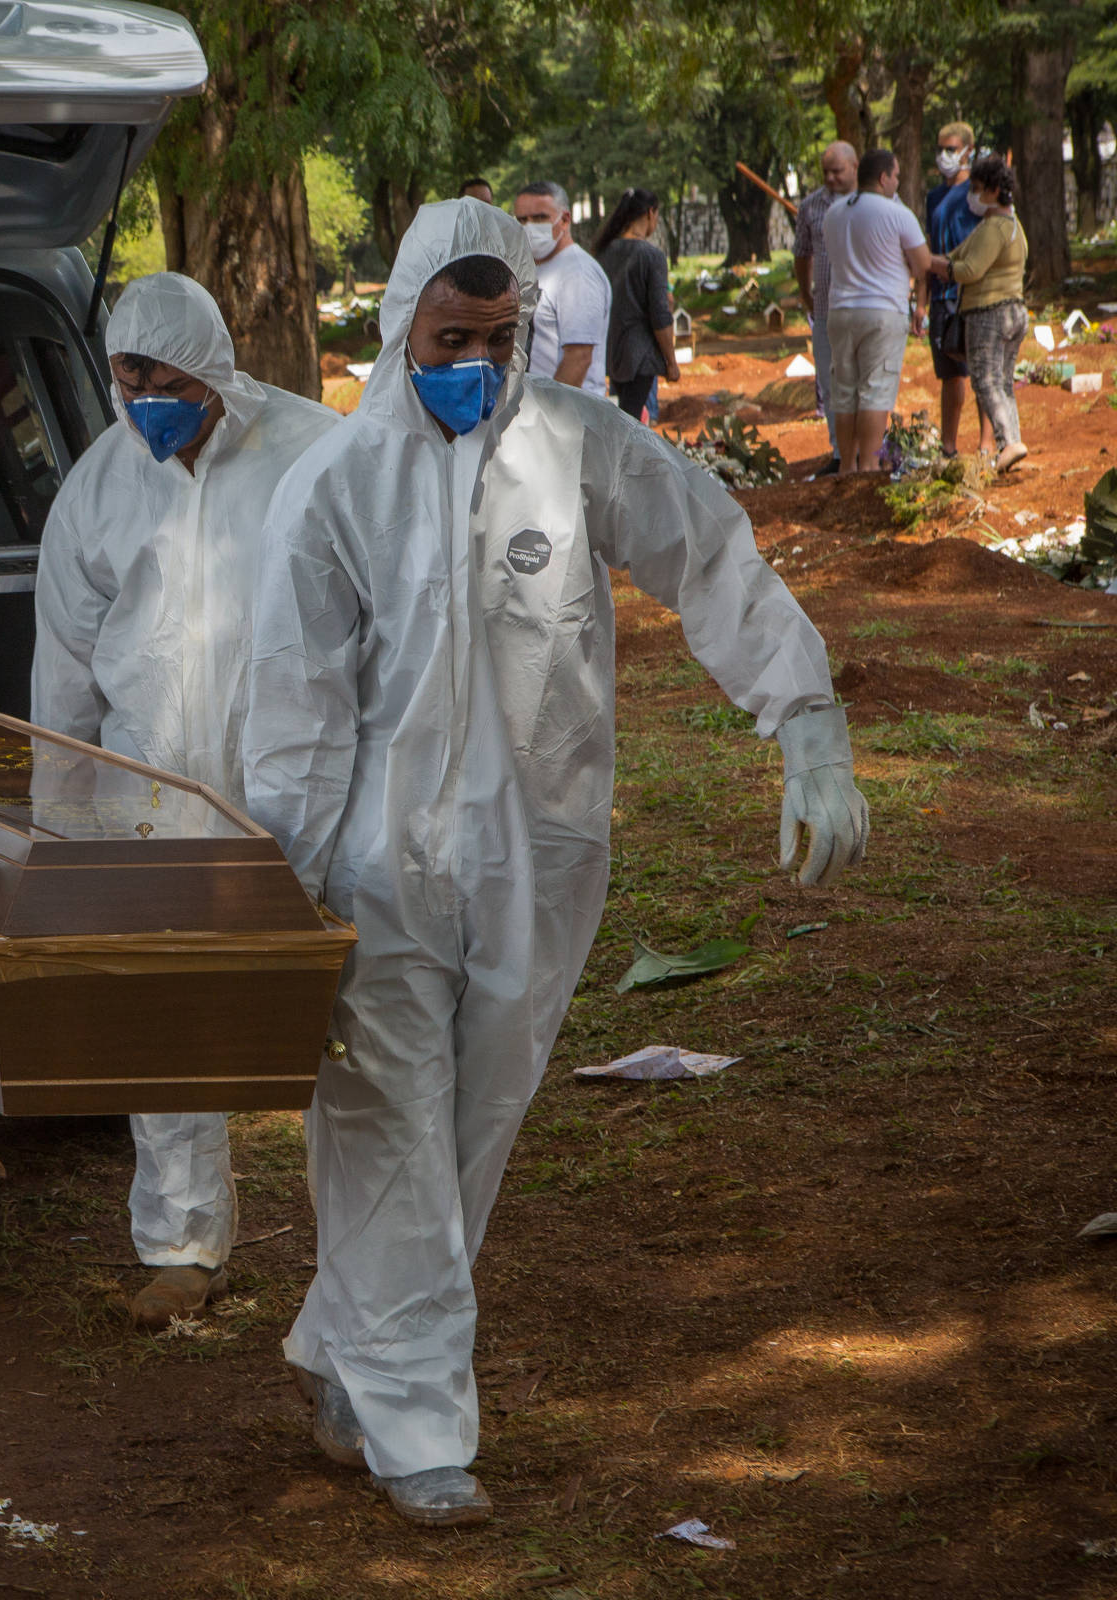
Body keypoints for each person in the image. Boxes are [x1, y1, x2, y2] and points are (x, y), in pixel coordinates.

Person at [243, 199, 867, 1529]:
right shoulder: (334, 488)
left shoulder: (578, 449)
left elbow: (712, 557)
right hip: (378, 870)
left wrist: (807, 721)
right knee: (388, 1132)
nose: (475, 358)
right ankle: (418, 1429)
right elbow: (293, 706)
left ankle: (345, 1347)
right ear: (399, 324)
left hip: (543, 855)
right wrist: (277, 878)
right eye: (450, 335)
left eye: (499, 332)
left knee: (472, 1127)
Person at [30, 272, 339, 1328]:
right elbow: (65, 673)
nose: (144, 397)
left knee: (339, 1012)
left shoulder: (312, 451)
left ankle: (360, 1245)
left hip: (295, 788)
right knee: (163, 1018)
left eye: (164, 377)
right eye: (126, 378)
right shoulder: (100, 487)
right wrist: (58, 828)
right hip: (150, 790)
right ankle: (181, 1243)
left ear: (214, 364)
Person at [822, 150, 937, 473]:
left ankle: (846, 465)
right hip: (882, 311)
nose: (897, 182)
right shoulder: (896, 213)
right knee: (874, 390)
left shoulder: (833, 213)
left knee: (844, 390)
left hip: (841, 310)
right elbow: (923, 263)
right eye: (896, 176)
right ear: (884, 177)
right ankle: (870, 465)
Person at [941, 154, 1031, 472]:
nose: (972, 196)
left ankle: (1009, 442)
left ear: (994, 190)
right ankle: (1013, 444)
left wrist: (942, 267)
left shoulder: (994, 226)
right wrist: (942, 262)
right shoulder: (1011, 225)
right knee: (1003, 382)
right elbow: (960, 255)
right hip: (1014, 311)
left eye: (977, 189)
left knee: (984, 380)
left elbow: (969, 269)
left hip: (989, 313)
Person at [791, 141, 858, 471]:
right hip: (826, 309)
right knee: (830, 382)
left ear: (855, 168)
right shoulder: (810, 206)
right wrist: (807, 296)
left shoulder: (876, 200)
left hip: (865, 308)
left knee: (865, 380)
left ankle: (869, 450)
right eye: (826, 172)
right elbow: (801, 254)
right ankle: (839, 452)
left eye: (838, 171)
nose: (830, 178)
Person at [511, 180, 609, 395]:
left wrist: (550, 415)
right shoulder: (533, 268)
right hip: (531, 409)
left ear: (564, 220)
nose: (529, 227)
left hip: (569, 416)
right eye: (521, 220)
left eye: (539, 218)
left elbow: (579, 357)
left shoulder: (578, 274)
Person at [592, 188, 681, 422]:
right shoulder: (651, 256)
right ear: (651, 213)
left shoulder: (602, 252)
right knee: (632, 424)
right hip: (640, 357)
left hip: (611, 354)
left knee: (621, 418)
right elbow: (660, 315)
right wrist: (671, 363)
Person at [925, 122, 981, 454]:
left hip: (972, 293)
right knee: (950, 373)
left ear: (968, 151)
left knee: (982, 373)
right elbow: (929, 246)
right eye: (941, 148)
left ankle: (989, 445)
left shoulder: (978, 191)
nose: (945, 155)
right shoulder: (934, 197)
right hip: (940, 297)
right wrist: (921, 301)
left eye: (952, 148)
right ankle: (948, 446)